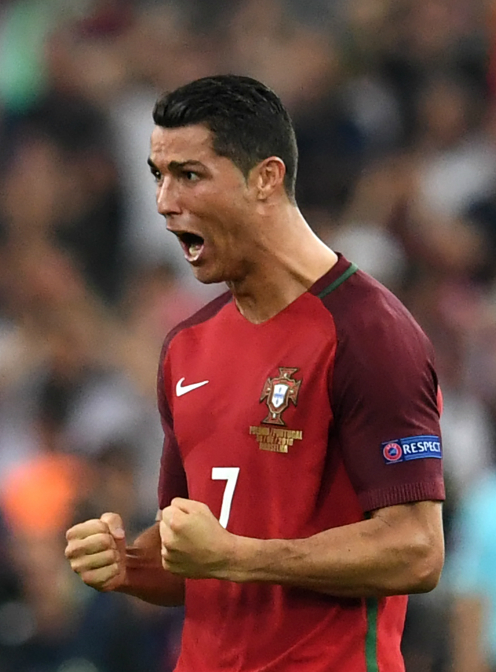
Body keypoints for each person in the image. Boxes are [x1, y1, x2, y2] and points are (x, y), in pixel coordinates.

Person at [64, 75, 445, 672]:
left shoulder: (369, 332)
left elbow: (417, 551)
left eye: (189, 175)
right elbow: (192, 555)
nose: (164, 202)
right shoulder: (187, 346)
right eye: (157, 176)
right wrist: (126, 563)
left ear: (265, 179)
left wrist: (239, 557)